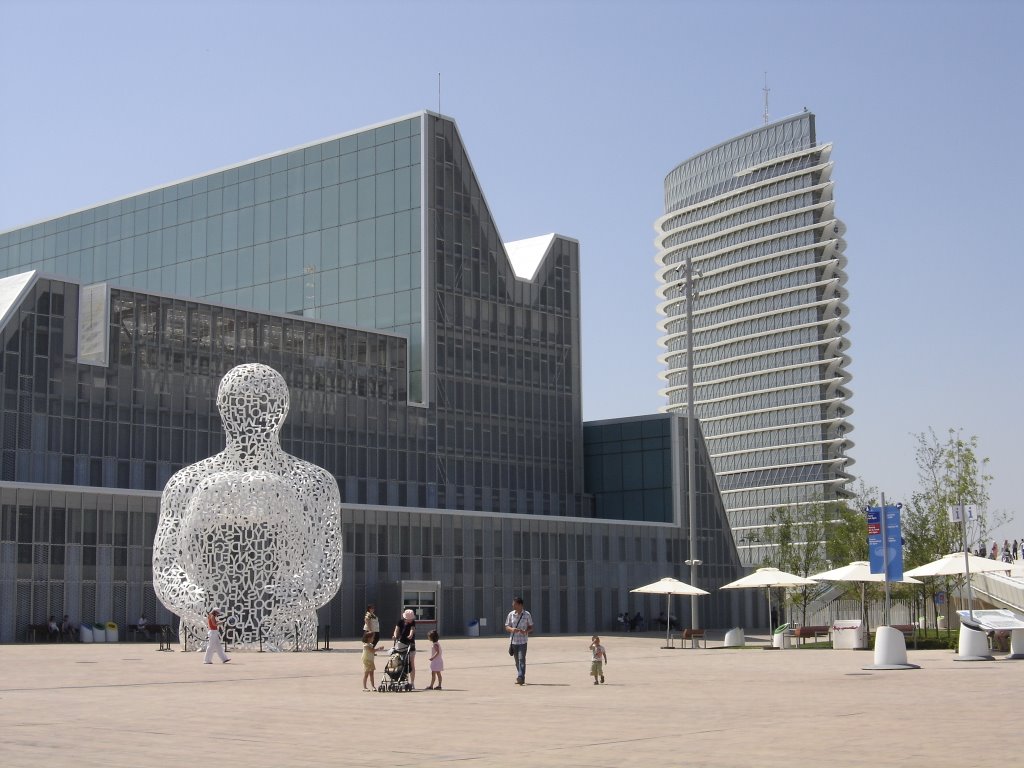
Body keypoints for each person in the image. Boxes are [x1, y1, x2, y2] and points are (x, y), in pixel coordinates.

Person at [505, 596, 533, 686]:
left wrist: (526, 631)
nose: (513, 606)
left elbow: (531, 626)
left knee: (521, 659)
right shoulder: (511, 614)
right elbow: (506, 626)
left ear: (520, 605)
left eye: (515, 604)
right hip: (514, 641)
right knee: (517, 661)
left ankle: (520, 677)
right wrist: (512, 629)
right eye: (513, 604)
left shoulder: (527, 614)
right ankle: (521, 676)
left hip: (523, 641)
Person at [392, 608, 417, 688]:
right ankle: (401, 679)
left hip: (410, 644)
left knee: (411, 663)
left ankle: (412, 682)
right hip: (401, 643)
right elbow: (396, 629)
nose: (410, 620)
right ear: (405, 618)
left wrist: (411, 635)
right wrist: (395, 636)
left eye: (411, 619)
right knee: (400, 662)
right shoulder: (400, 622)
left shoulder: (413, 622)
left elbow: (412, 629)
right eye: (408, 619)